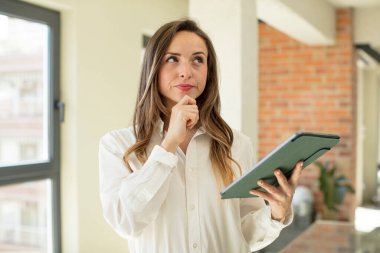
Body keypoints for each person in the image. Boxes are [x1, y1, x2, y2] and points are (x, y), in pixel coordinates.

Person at [99, 19, 303, 253]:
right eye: (172, 59)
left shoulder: (236, 144)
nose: (186, 72)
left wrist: (276, 214)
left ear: (209, 71)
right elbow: (126, 222)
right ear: (152, 67)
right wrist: (167, 146)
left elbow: (245, 233)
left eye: (198, 60)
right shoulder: (118, 145)